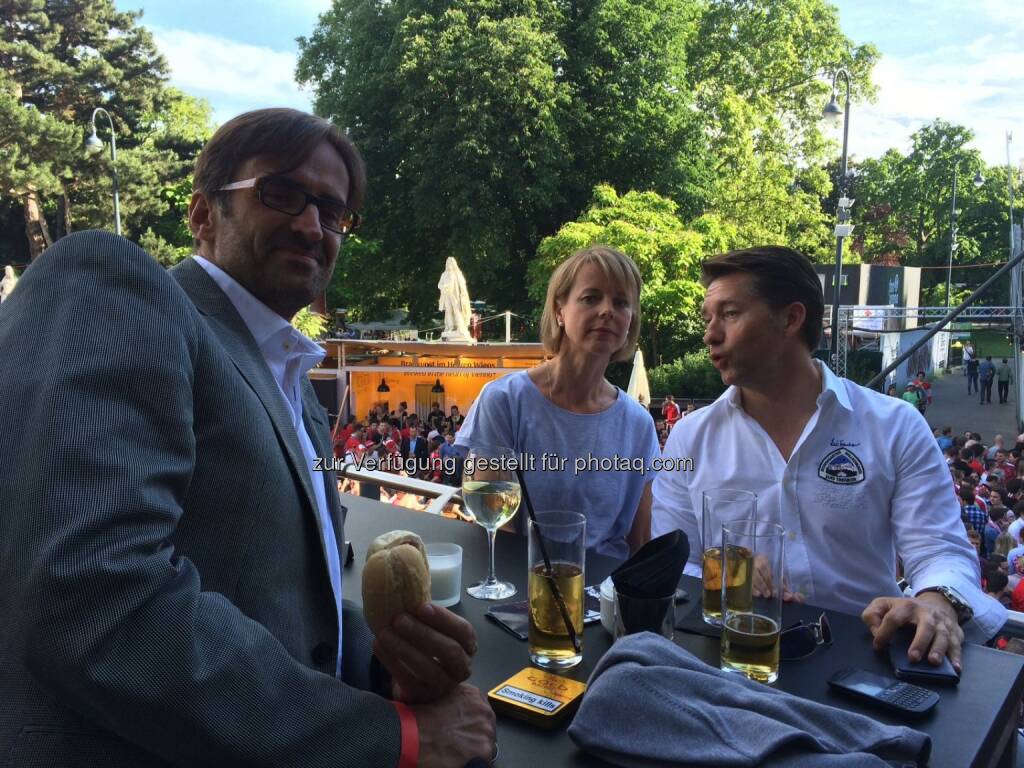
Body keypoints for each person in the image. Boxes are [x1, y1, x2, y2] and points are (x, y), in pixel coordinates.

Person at [0, 108, 494, 767]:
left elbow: (286, 609)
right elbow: (97, 598)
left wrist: (384, 668)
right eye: (281, 193)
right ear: (204, 215)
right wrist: (389, 736)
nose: (312, 225)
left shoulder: (300, 394)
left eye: (334, 210)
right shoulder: (114, 283)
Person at [652, 245, 1005, 674]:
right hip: (731, 662)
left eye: (729, 313)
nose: (710, 334)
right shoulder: (689, 438)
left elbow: (939, 549)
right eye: (709, 318)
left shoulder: (895, 426)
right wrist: (726, 568)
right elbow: (669, 561)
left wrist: (935, 600)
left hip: (865, 666)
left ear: (791, 318)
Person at [457, 245, 659, 560]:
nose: (607, 310)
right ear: (559, 311)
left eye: (621, 302)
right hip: (527, 582)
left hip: (607, 594)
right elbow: (495, 524)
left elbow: (640, 542)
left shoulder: (639, 424)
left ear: (631, 320)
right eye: (591, 297)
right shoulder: (505, 402)